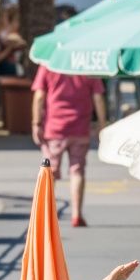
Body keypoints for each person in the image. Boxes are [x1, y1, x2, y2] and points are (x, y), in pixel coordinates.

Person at [30, 63, 103, 227]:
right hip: (80, 127)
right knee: (77, 170)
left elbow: (39, 96)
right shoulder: (88, 64)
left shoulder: (49, 64)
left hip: (55, 128)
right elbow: (97, 97)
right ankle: (76, 214)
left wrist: (36, 123)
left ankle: (48, 214)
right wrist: (102, 124)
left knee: (50, 171)